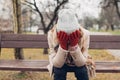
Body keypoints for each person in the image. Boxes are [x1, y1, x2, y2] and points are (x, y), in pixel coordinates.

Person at [47, 9, 95, 80]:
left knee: (82, 71)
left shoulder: (85, 34)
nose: (68, 37)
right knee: (59, 71)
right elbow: (56, 63)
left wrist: (74, 46)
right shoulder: (52, 34)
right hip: (60, 63)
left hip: (78, 61)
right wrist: (63, 47)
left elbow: (82, 62)